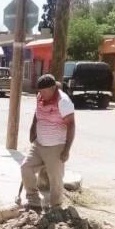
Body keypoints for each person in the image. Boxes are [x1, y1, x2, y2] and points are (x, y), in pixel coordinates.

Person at [20, 74, 76, 211]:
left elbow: (71, 125)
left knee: (55, 178)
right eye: (39, 91)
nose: (41, 94)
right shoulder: (40, 97)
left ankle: (55, 208)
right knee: (26, 167)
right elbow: (37, 113)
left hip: (56, 146)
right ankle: (33, 200)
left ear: (53, 88)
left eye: (44, 91)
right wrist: (33, 129)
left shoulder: (63, 101)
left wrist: (66, 150)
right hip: (39, 144)